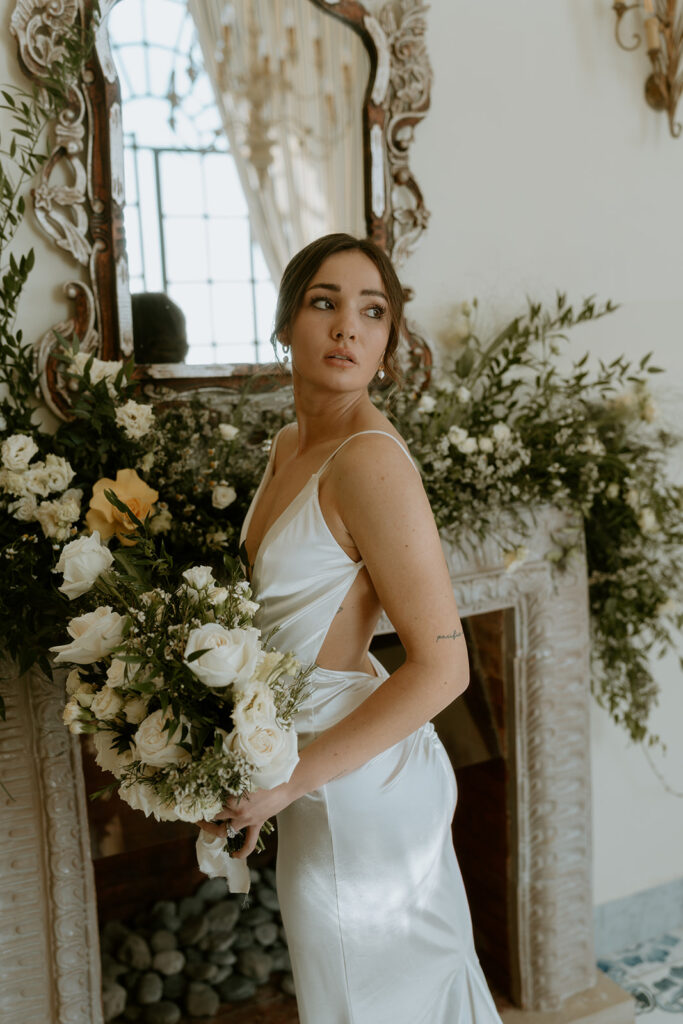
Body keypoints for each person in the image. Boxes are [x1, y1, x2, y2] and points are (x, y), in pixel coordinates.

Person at [199, 233, 503, 1024]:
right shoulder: (291, 444)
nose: (347, 329)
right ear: (284, 321)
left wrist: (291, 777)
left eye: (372, 312)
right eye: (324, 303)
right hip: (311, 761)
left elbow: (444, 670)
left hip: (352, 787)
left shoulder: (368, 461)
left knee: (366, 1006)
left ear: (388, 341)